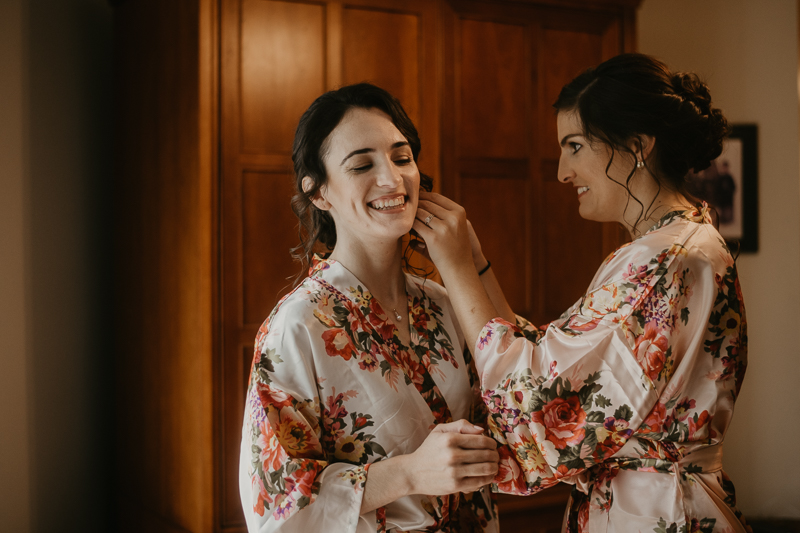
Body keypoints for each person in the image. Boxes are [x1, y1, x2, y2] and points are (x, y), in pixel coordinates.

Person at [413, 54, 749, 533]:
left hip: (652, 512)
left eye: (574, 146)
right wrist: (479, 266)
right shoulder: (683, 242)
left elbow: (540, 403)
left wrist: (454, 267)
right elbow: (558, 365)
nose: (562, 172)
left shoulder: (660, 259)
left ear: (636, 146)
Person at [238, 83, 501, 533]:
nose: (393, 180)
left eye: (402, 158)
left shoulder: (441, 304)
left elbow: (516, 410)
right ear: (319, 193)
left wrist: (473, 263)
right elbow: (277, 503)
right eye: (362, 164)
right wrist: (410, 473)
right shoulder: (297, 325)